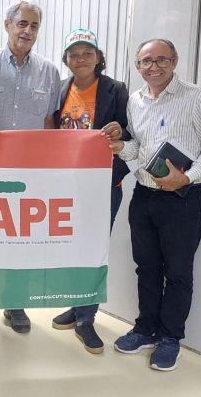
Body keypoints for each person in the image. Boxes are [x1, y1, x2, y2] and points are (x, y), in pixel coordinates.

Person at [111, 38, 201, 371]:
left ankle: (170, 338)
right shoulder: (136, 101)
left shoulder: (198, 98)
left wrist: (186, 178)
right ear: (138, 66)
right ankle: (144, 329)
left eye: (162, 60)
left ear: (175, 62)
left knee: (177, 273)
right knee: (146, 268)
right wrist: (119, 147)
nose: (154, 67)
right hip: (143, 196)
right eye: (146, 61)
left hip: (182, 200)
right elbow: (138, 148)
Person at [0, 0, 61, 334]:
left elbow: (49, 122)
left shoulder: (50, 71)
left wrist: (49, 168)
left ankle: (15, 302)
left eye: (34, 25)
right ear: (7, 25)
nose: (27, 31)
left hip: (28, 171)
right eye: (22, 23)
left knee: (20, 238)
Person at [49, 28, 130, 353]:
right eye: (74, 54)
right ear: (66, 59)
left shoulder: (115, 89)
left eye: (87, 53)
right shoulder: (60, 89)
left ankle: (86, 319)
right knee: (72, 248)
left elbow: (131, 134)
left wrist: (119, 131)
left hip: (102, 185)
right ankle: (76, 305)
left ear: (98, 57)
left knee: (94, 251)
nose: (80, 59)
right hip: (67, 184)